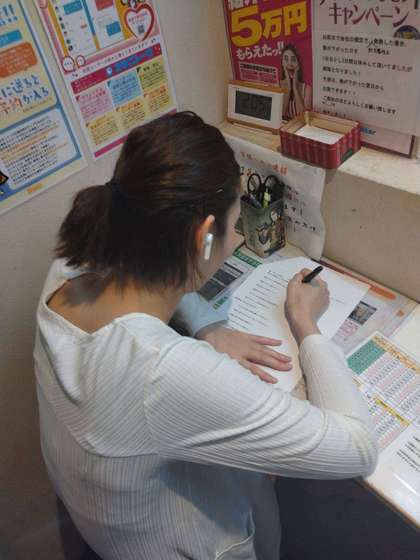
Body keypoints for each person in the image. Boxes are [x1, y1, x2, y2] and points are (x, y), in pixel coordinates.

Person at [34, 112, 378, 560]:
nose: (235, 239)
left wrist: (208, 326)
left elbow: (152, 275)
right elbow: (356, 448)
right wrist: (305, 324)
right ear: (204, 239)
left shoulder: (72, 267)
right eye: (234, 226)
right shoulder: (162, 372)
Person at [280, 44, 312, 119]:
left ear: (299, 63)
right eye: (286, 59)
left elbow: (304, 118)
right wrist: (288, 89)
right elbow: (280, 115)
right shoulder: (277, 85)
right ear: (282, 62)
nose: (290, 64)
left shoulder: (307, 89)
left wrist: (295, 88)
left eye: (293, 60)